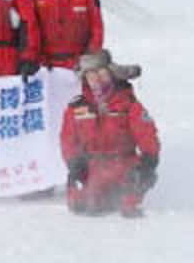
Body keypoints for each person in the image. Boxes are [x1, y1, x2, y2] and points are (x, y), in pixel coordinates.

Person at [60, 49, 160, 218]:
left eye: (101, 72)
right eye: (90, 74)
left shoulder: (128, 103)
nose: (96, 78)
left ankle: (131, 195)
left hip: (124, 162)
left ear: (111, 73)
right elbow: (67, 139)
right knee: (83, 206)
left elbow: (146, 132)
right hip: (93, 166)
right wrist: (74, 162)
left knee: (128, 201)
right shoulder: (76, 108)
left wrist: (149, 158)